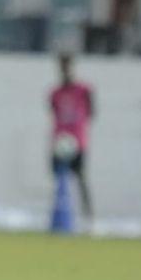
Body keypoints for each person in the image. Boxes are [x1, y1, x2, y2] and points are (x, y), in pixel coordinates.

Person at [49, 54, 95, 221]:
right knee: (59, 180)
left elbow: (91, 113)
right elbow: (53, 113)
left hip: (78, 141)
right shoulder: (55, 92)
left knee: (81, 179)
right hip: (59, 141)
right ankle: (61, 217)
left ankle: (89, 218)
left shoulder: (84, 90)